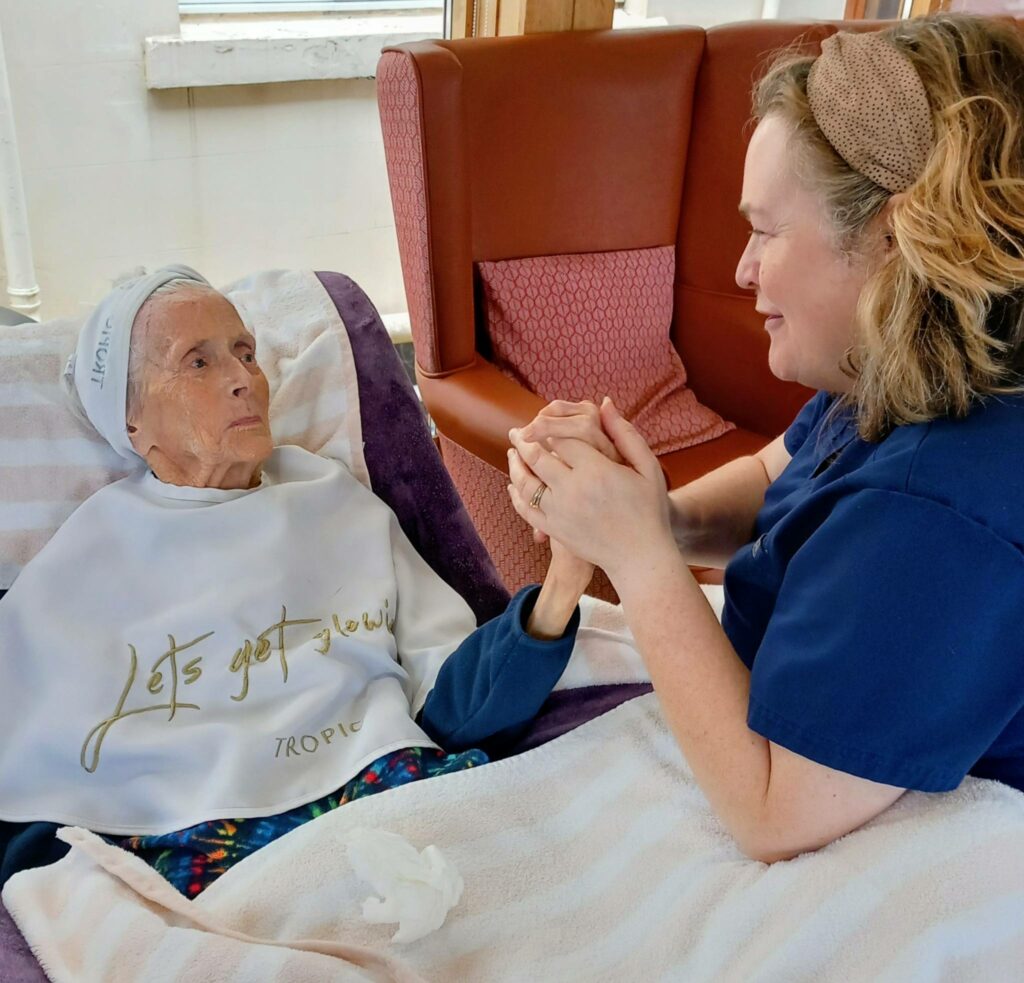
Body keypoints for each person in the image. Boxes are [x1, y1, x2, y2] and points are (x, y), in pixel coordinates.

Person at [508, 13, 1024, 863]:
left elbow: (772, 812)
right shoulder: (897, 367)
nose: (744, 268)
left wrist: (638, 559)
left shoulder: (935, 510)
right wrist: (651, 516)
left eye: (767, 229)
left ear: (893, 239)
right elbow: (771, 474)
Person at [0, 265, 593, 896]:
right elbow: (36, 776)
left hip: (389, 793)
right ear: (132, 422)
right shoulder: (87, 556)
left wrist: (564, 582)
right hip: (195, 851)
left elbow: (449, 699)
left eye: (244, 352)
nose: (241, 380)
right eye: (196, 363)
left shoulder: (332, 498)